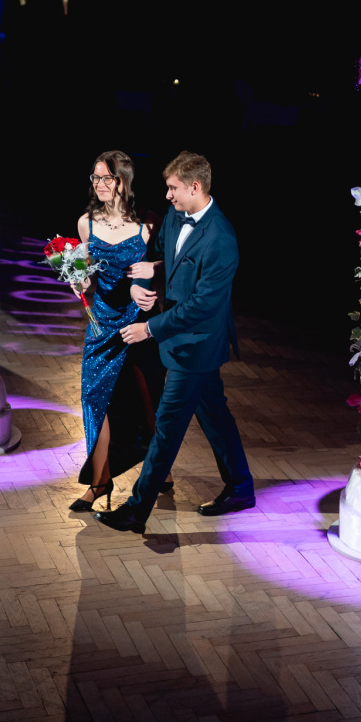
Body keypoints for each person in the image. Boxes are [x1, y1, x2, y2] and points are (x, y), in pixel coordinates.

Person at [93, 151, 255, 534]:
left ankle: (136, 511)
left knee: (166, 429)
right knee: (215, 417)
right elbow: (163, 258)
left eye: (173, 188)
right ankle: (240, 487)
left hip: (196, 345)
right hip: (181, 339)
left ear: (195, 187)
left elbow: (202, 306)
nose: (167, 195)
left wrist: (149, 329)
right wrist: (147, 275)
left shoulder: (221, 238)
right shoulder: (175, 215)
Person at [70, 150, 165, 511]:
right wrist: (78, 282)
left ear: (122, 181)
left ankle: (162, 470)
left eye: (105, 178)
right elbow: (84, 273)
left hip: (138, 323)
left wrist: (153, 272)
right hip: (101, 324)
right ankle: (99, 482)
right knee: (94, 400)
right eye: (95, 178)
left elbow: (170, 265)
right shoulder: (86, 224)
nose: (99, 184)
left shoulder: (147, 224)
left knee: (148, 401)